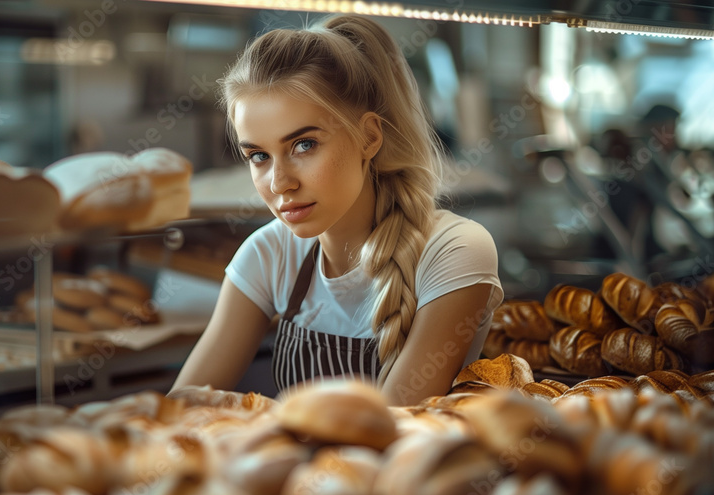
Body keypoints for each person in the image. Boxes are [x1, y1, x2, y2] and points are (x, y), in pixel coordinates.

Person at [169, 15, 503, 406]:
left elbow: (390, 430)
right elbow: (178, 411)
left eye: (304, 145)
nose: (279, 184)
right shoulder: (268, 254)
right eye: (258, 155)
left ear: (369, 136)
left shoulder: (455, 251)